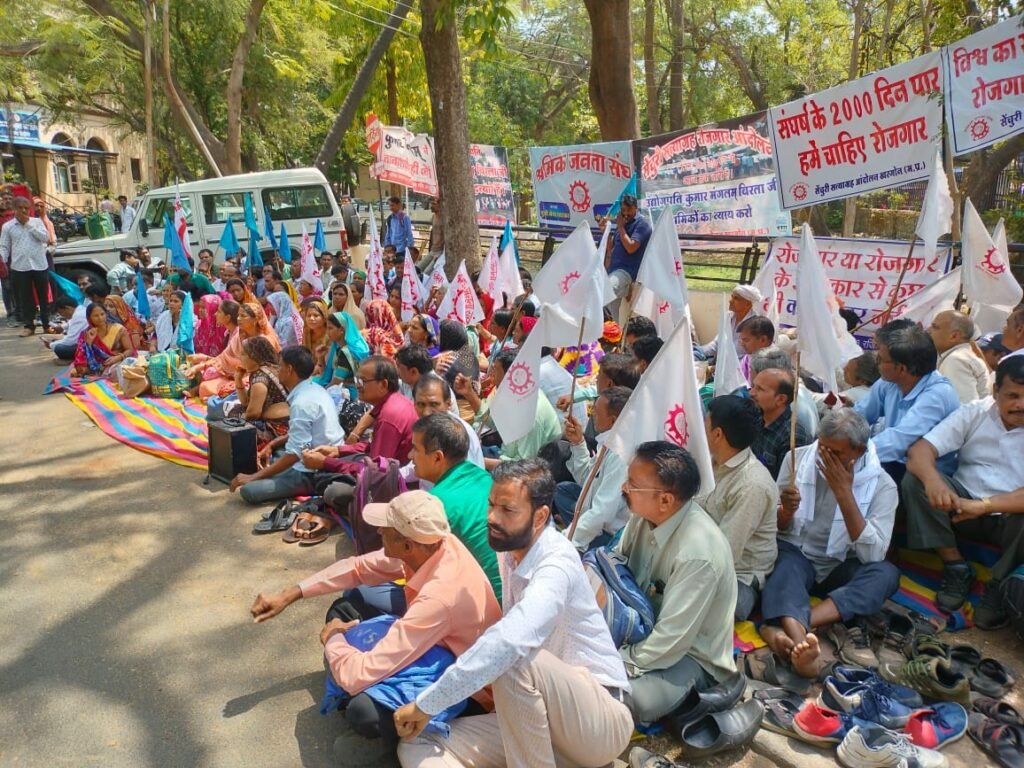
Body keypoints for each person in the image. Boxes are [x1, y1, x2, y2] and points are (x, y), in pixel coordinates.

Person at [393, 459, 633, 768]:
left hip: (598, 724)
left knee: (510, 656)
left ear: (540, 516)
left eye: (507, 510)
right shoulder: (509, 552)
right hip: (540, 720)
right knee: (419, 743)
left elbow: (510, 642)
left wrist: (429, 703)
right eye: (491, 505)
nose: (492, 517)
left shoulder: (556, 562)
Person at [250, 491, 501, 748]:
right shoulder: (436, 543)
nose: (379, 531)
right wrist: (290, 595)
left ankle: (426, 735)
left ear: (407, 545)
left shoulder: (439, 598)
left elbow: (358, 674)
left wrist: (334, 640)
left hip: (470, 687)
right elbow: (358, 567)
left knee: (363, 711)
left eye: (386, 528)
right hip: (438, 641)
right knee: (348, 603)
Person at [760, 409, 900, 677]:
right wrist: (786, 512)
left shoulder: (883, 485)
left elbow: (873, 554)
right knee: (782, 565)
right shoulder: (797, 460)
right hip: (798, 554)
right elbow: (774, 528)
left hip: (841, 563)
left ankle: (792, 628)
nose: (824, 458)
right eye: (822, 449)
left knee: (885, 574)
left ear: (858, 451)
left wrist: (844, 493)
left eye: (835, 454)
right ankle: (804, 645)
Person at [614, 442, 738, 723]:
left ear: (666, 500)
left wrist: (614, 660)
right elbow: (615, 572)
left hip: (688, 656)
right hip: (643, 631)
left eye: (633, 484)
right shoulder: (643, 518)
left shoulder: (697, 554)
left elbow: (670, 640)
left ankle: (713, 692)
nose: (624, 488)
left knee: (620, 699)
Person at [904, 354, 1024, 628]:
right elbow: (920, 451)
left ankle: (998, 584)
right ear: (995, 392)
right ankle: (955, 565)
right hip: (959, 507)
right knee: (916, 480)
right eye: (1013, 395)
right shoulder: (976, 412)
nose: (1021, 405)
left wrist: (983, 505)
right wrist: (934, 481)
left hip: (1010, 518)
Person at [231, 345, 346, 503]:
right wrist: (272, 444)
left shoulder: (302, 402)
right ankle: (278, 471)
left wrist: (253, 477)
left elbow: (295, 453)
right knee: (276, 452)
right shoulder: (315, 389)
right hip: (315, 454)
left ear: (289, 369)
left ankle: (304, 485)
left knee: (249, 491)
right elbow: (303, 436)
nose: (278, 370)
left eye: (280, 366)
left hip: (313, 470)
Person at [701, 396, 779, 621]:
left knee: (706, 613)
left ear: (717, 435)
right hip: (700, 554)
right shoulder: (710, 461)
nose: (701, 428)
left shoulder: (752, 484)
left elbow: (725, 554)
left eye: (705, 423)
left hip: (738, 575)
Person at [854, 320, 960, 484]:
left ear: (902, 368)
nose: (877, 363)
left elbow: (898, 441)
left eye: (881, 359)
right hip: (893, 462)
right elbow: (860, 415)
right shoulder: (888, 382)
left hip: (926, 477)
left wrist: (851, 453)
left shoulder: (938, 394)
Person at [411, 413, 501, 597]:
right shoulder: (483, 476)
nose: (409, 455)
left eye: (415, 449)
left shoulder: (434, 504)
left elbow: (417, 571)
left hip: (486, 608)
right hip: (513, 596)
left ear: (437, 457)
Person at [553, 386, 632, 552]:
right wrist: (578, 442)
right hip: (595, 514)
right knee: (562, 490)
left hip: (609, 534)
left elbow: (601, 513)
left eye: (596, 412)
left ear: (613, 420)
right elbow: (587, 478)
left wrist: (566, 540)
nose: (592, 415)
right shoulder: (608, 441)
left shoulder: (620, 455)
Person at [460, 349, 562, 469]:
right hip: (506, 454)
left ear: (510, 376)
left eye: (495, 370)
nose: (491, 374)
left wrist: (479, 461)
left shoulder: (531, 414)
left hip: (526, 472)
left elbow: (522, 466)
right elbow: (494, 420)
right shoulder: (514, 393)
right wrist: (469, 394)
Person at [317, 356, 418, 464]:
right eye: (357, 380)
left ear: (383, 384)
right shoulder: (395, 401)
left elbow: (377, 471)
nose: (357, 386)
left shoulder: (388, 416)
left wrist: (326, 463)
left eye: (362, 381)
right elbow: (374, 445)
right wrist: (338, 450)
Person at [1, 196, 51, 336]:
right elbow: (4, 245)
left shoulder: (37, 222)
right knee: (25, 298)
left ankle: (47, 324)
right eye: (20, 208)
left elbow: (45, 238)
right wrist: (4, 261)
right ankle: (29, 325)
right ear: (14, 209)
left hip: (39, 264)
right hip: (19, 267)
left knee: (43, 296)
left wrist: (28, 224)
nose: (24, 211)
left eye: (26, 208)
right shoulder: (8, 226)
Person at [227, 335, 290, 444]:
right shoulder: (271, 367)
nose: (240, 357)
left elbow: (253, 414)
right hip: (285, 420)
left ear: (254, 357)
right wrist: (238, 380)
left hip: (279, 427)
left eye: (243, 354)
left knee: (232, 416)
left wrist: (234, 417)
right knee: (235, 410)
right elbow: (246, 402)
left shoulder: (260, 379)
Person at [749, 368, 810, 479]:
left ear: (781, 399)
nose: (752, 393)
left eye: (760, 389)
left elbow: (786, 484)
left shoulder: (792, 436)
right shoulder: (756, 417)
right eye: (753, 386)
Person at [604, 194, 653, 319]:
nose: (626, 213)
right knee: (611, 310)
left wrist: (620, 227)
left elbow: (631, 247)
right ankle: (612, 337)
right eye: (623, 210)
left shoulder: (642, 225)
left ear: (635, 208)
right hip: (613, 271)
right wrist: (606, 231)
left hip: (626, 271)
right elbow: (611, 248)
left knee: (605, 292)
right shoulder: (622, 225)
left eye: (629, 210)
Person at [929, 310, 990, 403]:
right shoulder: (958, 356)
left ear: (954, 336)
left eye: (935, 327)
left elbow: (964, 409)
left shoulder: (956, 360)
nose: (928, 330)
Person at [186, 300, 242, 400]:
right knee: (207, 375)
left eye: (219, 312)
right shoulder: (229, 332)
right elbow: (223, 358)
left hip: (238, 376)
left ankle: (217, 395)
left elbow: (230, 363)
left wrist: (203, 361)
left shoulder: (238, 335)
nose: (215, 314)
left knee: (209, 375)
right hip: (226, 371)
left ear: (228, 317)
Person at [314, 311, 370, 398]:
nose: (327, 332)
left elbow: (336, 382)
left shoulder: (347, 352)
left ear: (341, 330)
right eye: (327, 328)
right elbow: (326, 375)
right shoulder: (337, 347)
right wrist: (320, 358)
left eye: (330, 328)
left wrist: (320, 396)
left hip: (351, 393)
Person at [699, 284, 762, 360]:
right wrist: (700, 351)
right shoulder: (729, 317)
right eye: (732, 297)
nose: (730, 301)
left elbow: (744, 355)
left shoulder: (755, 324)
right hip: (720, 363)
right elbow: (717, 343)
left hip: (739, 368)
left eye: (736, 298)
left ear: (748, 304)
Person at [73, 302, 132, 376]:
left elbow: (129, 349)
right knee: (79, 369)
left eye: (102, 314)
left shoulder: (119, 329)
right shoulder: (86, 333)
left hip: (115, 361)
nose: (100, 318)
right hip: (96, 364)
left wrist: (118, 357)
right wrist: (89, 343)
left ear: (106, 314)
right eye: (96, 316)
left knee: (115, 373)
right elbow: (83, 355)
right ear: (89, 318)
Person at [46, 296, 89, 361]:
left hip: (87, 346)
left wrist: (51, 345)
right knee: (58, 344)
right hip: (85, 342)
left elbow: (70, 341)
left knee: (59, 348)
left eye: (61, 313)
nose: (62, 315)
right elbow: (70, 326)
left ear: (67, 308)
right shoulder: (81, 310)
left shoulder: (78, 316)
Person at [736, 316, 775, 383]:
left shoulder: (776, 361)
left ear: (763, 340)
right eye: (741, 340)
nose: (742, 344)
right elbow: (739, 380)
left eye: (746, 340)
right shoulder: (748, 357)